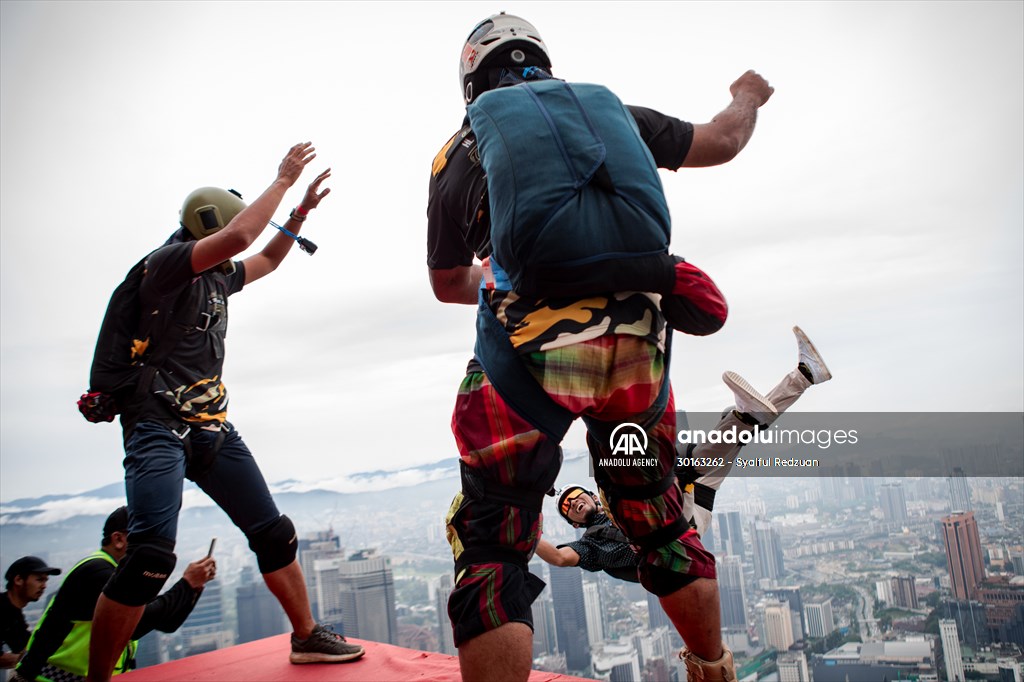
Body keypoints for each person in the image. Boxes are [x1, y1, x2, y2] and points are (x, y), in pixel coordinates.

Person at [428, 13, 773, 682]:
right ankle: (712, 665)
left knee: (494, 548)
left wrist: (500, 272)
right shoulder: (615, 114)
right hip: (634, 358)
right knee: (662, 523)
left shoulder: (460, 149)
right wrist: (749, 93)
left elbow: (447, 283)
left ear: (472, 81)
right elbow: (726, 140)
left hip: (522, 362)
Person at [87, 143, 364, 682]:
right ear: (206, 223)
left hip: (209, 424)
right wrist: (282, 181)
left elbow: (264, 258)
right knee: (149, 554)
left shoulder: (215, 278)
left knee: (275, 532)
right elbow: (241, 238)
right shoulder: (165, 266)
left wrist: (299, 212)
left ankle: (306, 637)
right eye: (232, 222)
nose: (243, 230)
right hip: (155, 424)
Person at [536, 327, 832, 577]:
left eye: (575, 496)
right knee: (687, 462)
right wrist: (520, 521)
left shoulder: (612, 503)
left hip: (694, 504)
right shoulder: (591, 544)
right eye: (567, 507)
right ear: (573, 523)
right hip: (675, 534)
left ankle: (804, 376)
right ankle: (743, 418)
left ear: (588, 494)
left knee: (733, 433)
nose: (573, 503)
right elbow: (560, 558)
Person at [13, 507, 214, 682]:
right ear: (118, 539)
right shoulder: (97, 571)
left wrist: (194, 587)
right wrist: (187, 583)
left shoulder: (122, 577)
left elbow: (167, 623)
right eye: (147, 535)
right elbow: (138, 623)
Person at [2, 558, 60, 669]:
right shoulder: (3, 609)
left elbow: (24, 647)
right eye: (39, 580)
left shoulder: (13, 614)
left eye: (45, 581)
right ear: (18, 580)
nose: (44, 586)